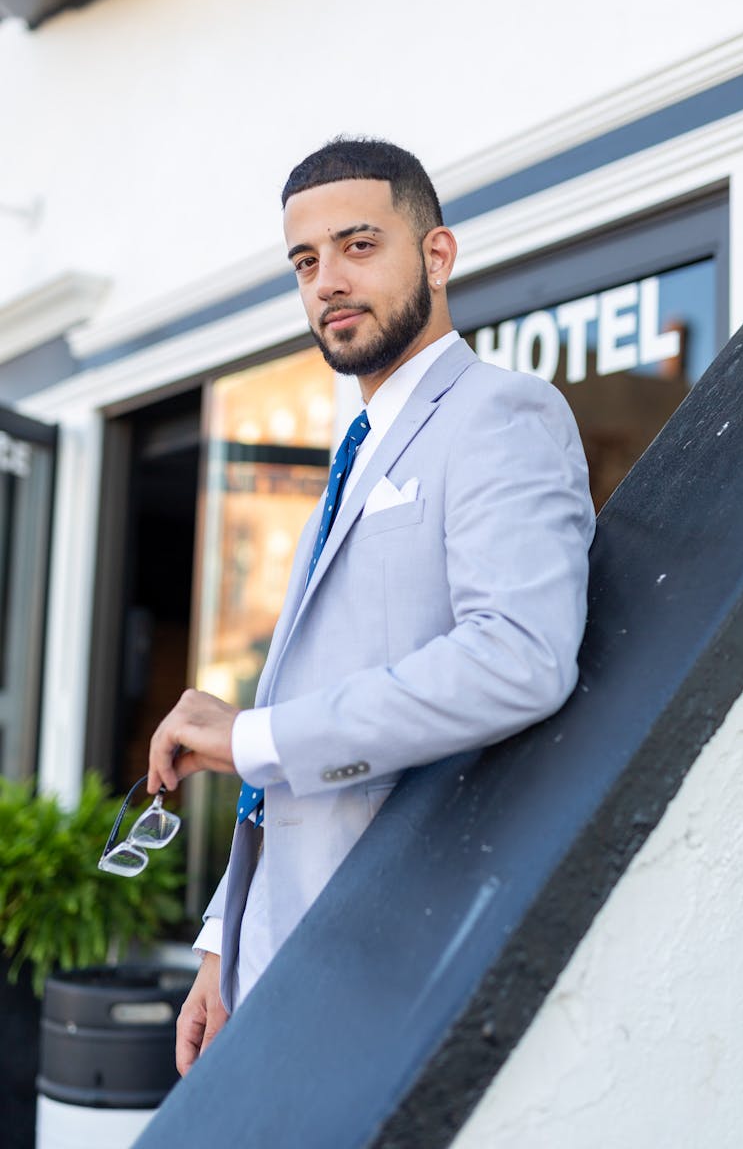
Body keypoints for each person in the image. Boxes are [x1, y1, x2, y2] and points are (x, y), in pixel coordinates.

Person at [147, 137, 596, 1076]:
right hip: (284, 964)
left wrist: (254, 737)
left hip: (398, 966)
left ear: (437, 256)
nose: (327, 282)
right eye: (305, 263)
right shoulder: (354, 454)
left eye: (358, 246)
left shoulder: (500, 413)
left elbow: (519, 655)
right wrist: (225, 944)